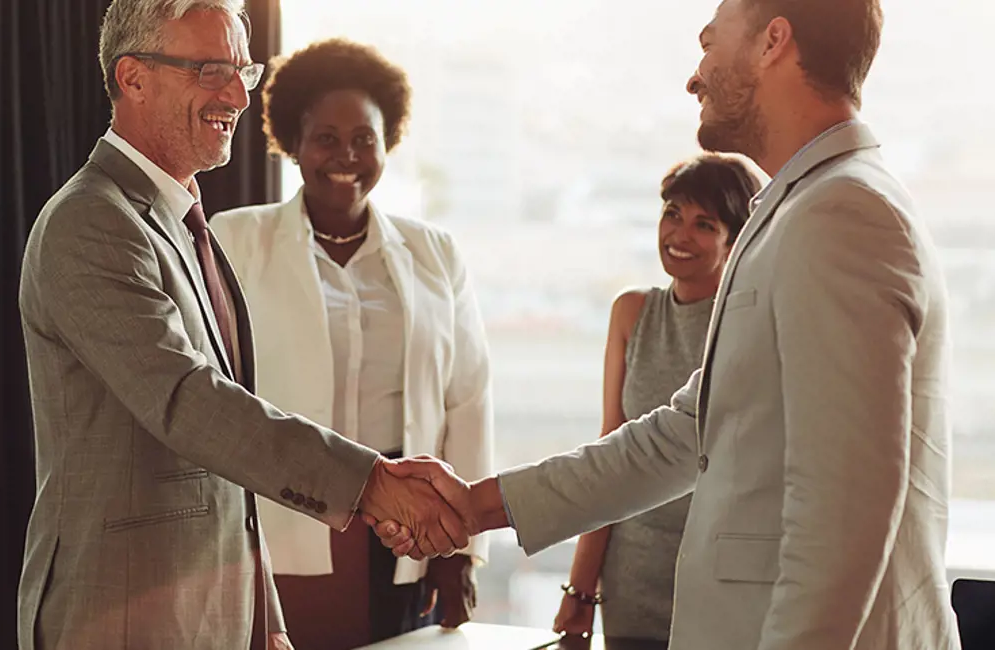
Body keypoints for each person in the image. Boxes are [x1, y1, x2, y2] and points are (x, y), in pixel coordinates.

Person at [369, 0, 964, 648]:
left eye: (711, 42)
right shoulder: (802, 210)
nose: (695, 74)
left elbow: (843, 519)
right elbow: (686, 434)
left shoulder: (841, 216)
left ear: (773, 43)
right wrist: (477, 505)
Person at [14, 2, 470, 649]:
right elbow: (189, 404)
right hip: (119, 615)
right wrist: (369, 484)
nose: (235, 94)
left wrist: (264, 619)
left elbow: (227, 459)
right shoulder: (92, 223)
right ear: (134, 78)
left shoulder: (182, 222)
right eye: (208, 69)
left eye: (241, 70)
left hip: (213, 615)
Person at [210, 38, 493, 649]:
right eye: (326, 139)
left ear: (387, 141)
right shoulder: (234, 241)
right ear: (292, 143)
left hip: (406, 529)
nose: (347, 156)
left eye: (364, 138)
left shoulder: (434, 253)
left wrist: (460, 549)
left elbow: (467, 400)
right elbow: (211, 399)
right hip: (284, 515)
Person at [550, 154, 764, 650]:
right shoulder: (632, 312)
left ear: (736, 240)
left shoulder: (751, 319)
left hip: (724, 583)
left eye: (704, 224)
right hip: (632, 582)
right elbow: (611, 455)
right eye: (672, 214)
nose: (679, 235)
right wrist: (581, 589)